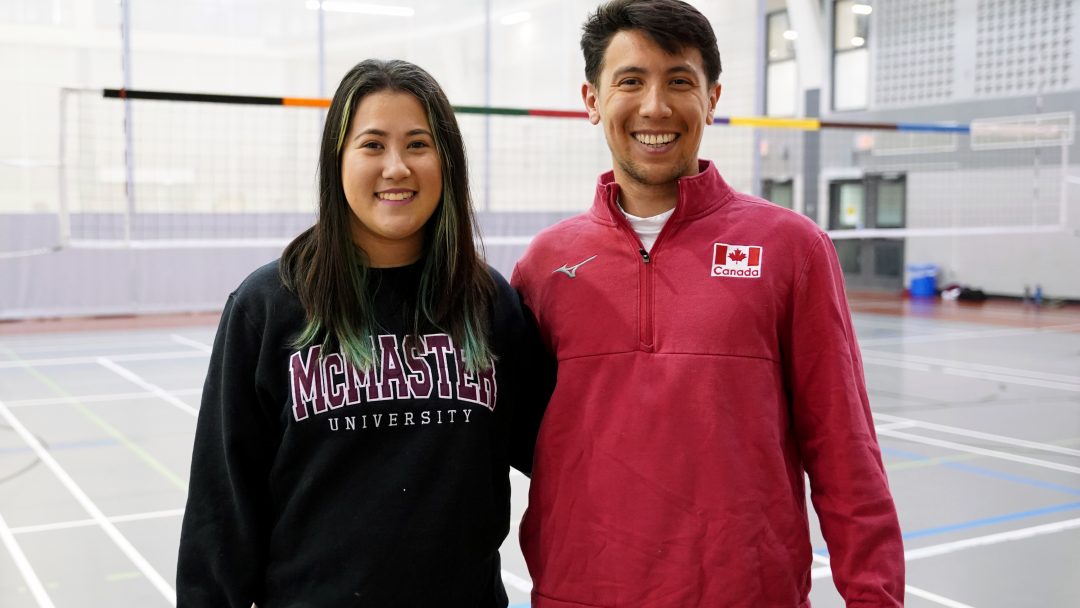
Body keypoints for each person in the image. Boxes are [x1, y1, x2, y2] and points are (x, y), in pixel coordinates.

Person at [510, 1, 905, 606]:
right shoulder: (543, 265)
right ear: (592, 100)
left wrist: (876, 596)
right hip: (580, 591)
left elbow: (844, 448)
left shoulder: (792, 248)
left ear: (712, 98)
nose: (655, 107)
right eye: (630, 81)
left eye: (679, 81)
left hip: (747, 592)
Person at [177, 58, 552, 607]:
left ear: (448, 162)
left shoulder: (488, 304)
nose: (396, 167)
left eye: (418, 144)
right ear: (338, 160)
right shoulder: (269, 308)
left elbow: (566, 454)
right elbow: (221, 509)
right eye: (372, 145)